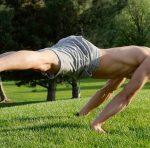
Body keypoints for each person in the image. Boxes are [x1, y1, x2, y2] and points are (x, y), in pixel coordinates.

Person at [0, 35, 150, 133]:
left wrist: (82, 114)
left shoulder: (134, 63)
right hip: (87, 56)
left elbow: (107, 90)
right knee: (43, 61)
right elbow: (127, 95)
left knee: (40, 61)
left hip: (82, 50)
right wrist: (97, 124)